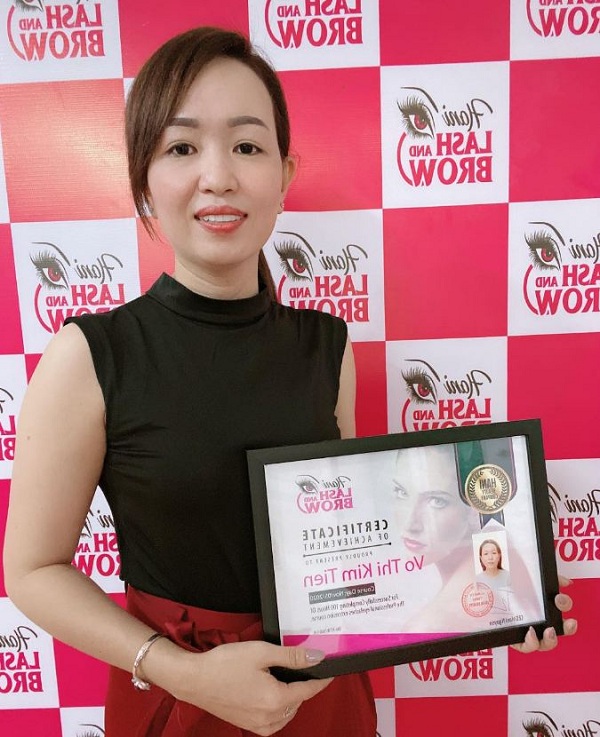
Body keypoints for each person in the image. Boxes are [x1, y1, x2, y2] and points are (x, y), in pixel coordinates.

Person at [2, 26, 576, 737]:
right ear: (143, 178)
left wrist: (500, 591)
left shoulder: (326, 346)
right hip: (182, 701)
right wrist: (181, 671)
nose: (219, 175)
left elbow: (363, 540)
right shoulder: (92, 354)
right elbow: (32, 570)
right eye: (182, 148)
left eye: (247, 146)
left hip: (323, 693)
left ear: (284, 174)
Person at [391, 444, 568, 633]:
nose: (410, 524)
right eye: (402, 492)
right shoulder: (500, 546)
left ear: (475, 507)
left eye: (437, 501)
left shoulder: (428, 625)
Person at [476, 539, 513, 612]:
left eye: (493, 553)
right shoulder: (476, 580)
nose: (490, 557)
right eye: (486, 554)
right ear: (481, 558)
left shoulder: (508, 576)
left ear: (499, 556)